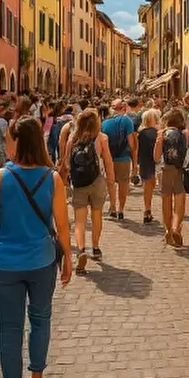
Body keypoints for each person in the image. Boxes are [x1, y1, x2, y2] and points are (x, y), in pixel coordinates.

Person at [0, 117, 72, 378]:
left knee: (9, 329)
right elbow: (61, 225)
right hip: (42, 260)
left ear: (19, 141)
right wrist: (69, 257)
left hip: (6, 261)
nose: (6, 142)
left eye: (9, 137)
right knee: (41, 320)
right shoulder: (52, 178)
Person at [65, 109, 114, 272]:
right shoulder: (101, 138)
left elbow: (66, 163)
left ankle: (80, 250)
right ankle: (95, 247)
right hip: (97, 180)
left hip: (79, 183)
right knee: (97, 214)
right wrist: (111, 183)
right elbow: (108, 162)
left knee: (79, 220)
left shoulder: (73, 138)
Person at [155, 109, 189, 247]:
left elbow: (156, 157)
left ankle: (168, 230)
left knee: (166, 201)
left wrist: (159, 141)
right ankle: (176, 228)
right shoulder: (185, 134)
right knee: (180, 201)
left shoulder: (162, 134)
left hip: (166, 169)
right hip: (180, 170)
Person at [101, 99, 137, 220]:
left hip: (109, 157)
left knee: (111, 183)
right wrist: (134, 159)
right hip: (123, 157)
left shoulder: (104, 122)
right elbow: (131, 143)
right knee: (123, 184)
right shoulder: (127, 120)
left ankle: (112, 207)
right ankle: (121, 209)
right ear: (123, 108)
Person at [137, 110, 160, 224]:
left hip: (145, 161)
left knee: (147, 187)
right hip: (157, 160)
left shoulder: (141, 133)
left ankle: (147, 209)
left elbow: (137, 149)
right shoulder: (158, 132)